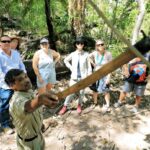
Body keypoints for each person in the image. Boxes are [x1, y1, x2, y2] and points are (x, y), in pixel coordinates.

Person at [5, 69, 58, 150]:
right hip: (28, 144)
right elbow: (28, 108)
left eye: (26, 76)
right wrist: (40, 100)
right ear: (11, 86)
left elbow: (35, 108)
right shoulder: (16, 101)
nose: (26, 80)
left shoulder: (29, 92)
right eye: (20, 80)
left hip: (39, 136)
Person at [0, 35, 26, 134]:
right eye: (4, 41)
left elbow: (21, 65)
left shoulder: (15, 53)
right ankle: (5, 125)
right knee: (4, 105)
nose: (6, 43)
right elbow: (0, 73)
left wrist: (24, 76)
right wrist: (9, 84)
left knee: (19, 101)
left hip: (19, 82)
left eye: (8, 41)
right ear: (0, 43)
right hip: (5, 85)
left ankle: (16, 121)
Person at [59, 37, 92, 115]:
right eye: (78, 43)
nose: (80, 45)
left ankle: (79, 105)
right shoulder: (73, 54)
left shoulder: (86, 54)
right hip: (74, 77)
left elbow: (89, 67)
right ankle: (65, 106)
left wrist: (89, 76)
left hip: (83, 77)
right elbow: (65, 60)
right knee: (70, 92)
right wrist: (70, 67)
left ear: (83, 45)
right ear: (75, 45)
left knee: (82, 93)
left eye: (81, 43)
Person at [89, 39, 112, 113]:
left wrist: (109, 77)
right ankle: (95, 103)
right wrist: (93, 63)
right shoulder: (95, 53)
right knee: (94, 90)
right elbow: (88, 57)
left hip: (105, 74)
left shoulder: (108, 54)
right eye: (98, 45)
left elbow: (111, 66)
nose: (100, 46)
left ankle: (108, 105)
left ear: (104, 45)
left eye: (102, 44)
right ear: (96, 46)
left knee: (106, 90)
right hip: (96, 73)